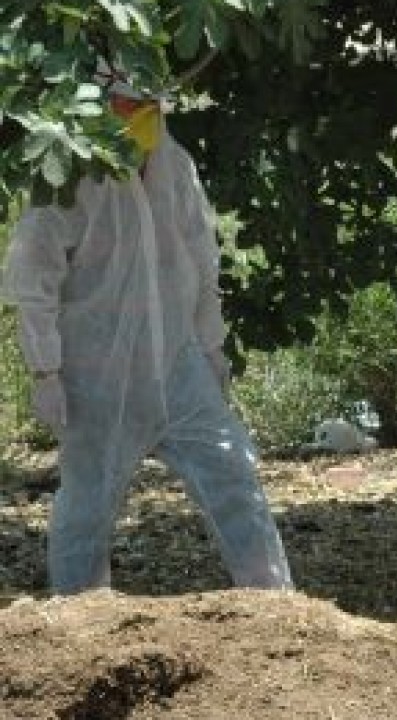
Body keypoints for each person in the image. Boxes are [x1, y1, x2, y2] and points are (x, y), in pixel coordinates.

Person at [1, 60, 294, 595]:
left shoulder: (174, 166)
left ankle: (274, 602)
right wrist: (45, 370)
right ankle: (79, 618)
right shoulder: (66, 178)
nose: (140, 117)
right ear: (97, 109)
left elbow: (201, 261)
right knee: (88, 505)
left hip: (179, 368)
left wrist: (211, 348)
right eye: (129, 106)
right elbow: (33, 279)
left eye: (148, 107)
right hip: (97, 380)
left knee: (234, 476)